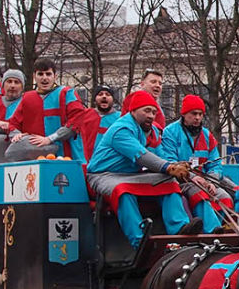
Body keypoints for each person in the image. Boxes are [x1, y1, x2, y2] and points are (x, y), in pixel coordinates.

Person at [86, 90, 200, 247]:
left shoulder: (152, 131)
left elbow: (161, 157)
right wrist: (169, 167)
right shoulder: (121, 129)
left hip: (130, 175)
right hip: (103, 175)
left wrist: (181, 169)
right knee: (123, 190)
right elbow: (141, 156)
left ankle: (179, 228)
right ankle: (139, 240)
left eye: (153, 112)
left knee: (168, 180)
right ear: (133, 111)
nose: (151, 116)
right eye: (146, 111)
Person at [159, 95, 233, 232]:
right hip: (181, 180)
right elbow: (170, 160)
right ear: (184, 114)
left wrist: (213, 182)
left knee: (225, 197)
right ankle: (212, 231)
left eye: (200, 114)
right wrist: (192, 177)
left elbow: (215, 163)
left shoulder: (207, 136)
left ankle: (221, 227)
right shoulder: (170, 132)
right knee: (198, 193)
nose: (198, 118)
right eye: (194, 114)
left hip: (205, 181)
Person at [8, 57, 88, 160]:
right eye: (40, 74)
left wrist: (50, 139)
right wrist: (16, 135)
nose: (44, 78)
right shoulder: (27, 98)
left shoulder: (66, 94)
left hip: (66, 158)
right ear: (34, 76)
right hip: (35, 161)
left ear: (55, 76)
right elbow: (13, 124)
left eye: (48, 74)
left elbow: (76, 121)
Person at [0, 69, 45, 165]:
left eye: (17, 82)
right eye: (9, 81)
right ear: (3, 84)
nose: (12, 86)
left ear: (22, 86)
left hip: (19, 157)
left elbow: (25, 131)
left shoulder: (29, 103)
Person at [80, 84, 119, 159]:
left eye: (108, 94)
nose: (104, 96)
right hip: (85, 161)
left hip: (108, 163)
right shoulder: (84, 115)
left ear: (113, 100)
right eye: (100, 94)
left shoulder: (120, 119)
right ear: (94, 100)